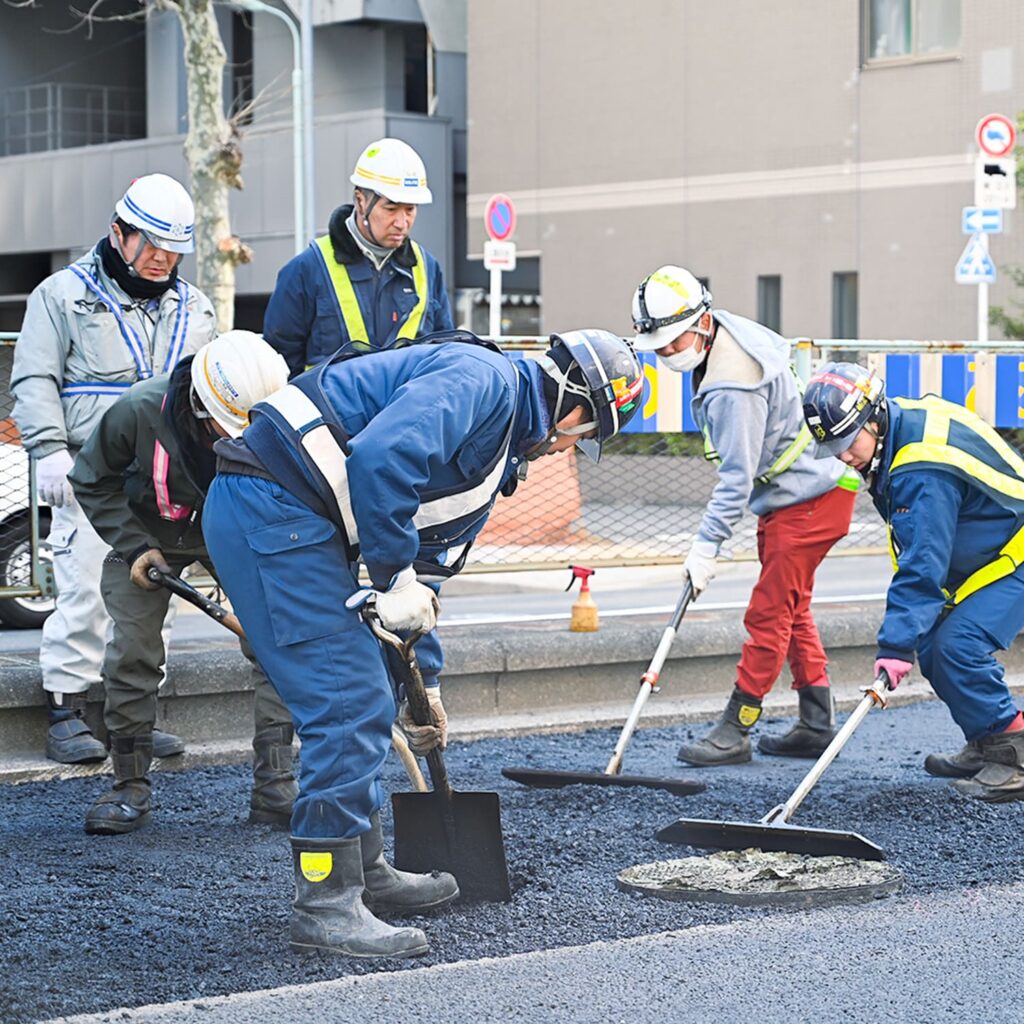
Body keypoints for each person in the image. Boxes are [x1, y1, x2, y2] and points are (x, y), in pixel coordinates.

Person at [202, 328, 643, 958]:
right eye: (586, 433)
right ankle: (325, 902)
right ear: (574, 406)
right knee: (346, 706)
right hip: (271, 508)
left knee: (370, 699)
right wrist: (392, 577)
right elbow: (381, 457)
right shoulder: (482, 383)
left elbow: (427, 573)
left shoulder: (499, 450)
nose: (570, 448)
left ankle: (366, 868)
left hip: (294, 518)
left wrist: (422, 684)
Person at [9, 173, 217, 764]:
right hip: (90, 471)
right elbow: (34, 378)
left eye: (174, 250)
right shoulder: (61, 296)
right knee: (83, 592)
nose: (161, 260)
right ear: (118, 233)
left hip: (165, 483)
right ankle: (67, 709)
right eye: (150, 244)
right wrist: (48, 448)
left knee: (156, 600)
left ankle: (133, 719)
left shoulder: (196, 308)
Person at [68, 332, 298, 835]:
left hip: (233, 531)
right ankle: (128, 785)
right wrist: (132, 544)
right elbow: (91, 477)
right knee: (133, 651)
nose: (242, 437)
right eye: (231, 425)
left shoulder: (270, 413)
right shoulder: (139, 410)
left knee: (277, 640)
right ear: (201, 404)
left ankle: (276, 785)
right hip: (148, 531)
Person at [630, 266, 859, 767]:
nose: (667, 354)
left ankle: (737, 727)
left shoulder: (733, 386)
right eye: (660, 347)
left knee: (769, 613)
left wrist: (706, 545)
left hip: (807, 499)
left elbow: (736, 478)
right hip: (811, 488)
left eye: (672, 343)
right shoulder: (729, 332)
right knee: (792, 608)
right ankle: (817, 723)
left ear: (701, 321)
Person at [803, 362, 1024, 803]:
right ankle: (987, 739)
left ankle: (1014, 750)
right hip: (994, 551)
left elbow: (923, 563)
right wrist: (908, 639)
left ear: (872, 418)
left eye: (849, 441)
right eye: (835, 447)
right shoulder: (900, 425)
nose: (845, 455)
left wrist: (894, 645)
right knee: (934, 643)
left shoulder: (920, 469)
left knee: (956, 644)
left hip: (1015, 555)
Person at [263, 138, 454, 378]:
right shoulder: (307, 270)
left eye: (410, 209)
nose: (402, 222)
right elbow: (278, 368)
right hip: (328, 414)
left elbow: (444, 357)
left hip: (405, 414)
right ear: (361, 200)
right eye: (391, 208)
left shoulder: (428, 270)